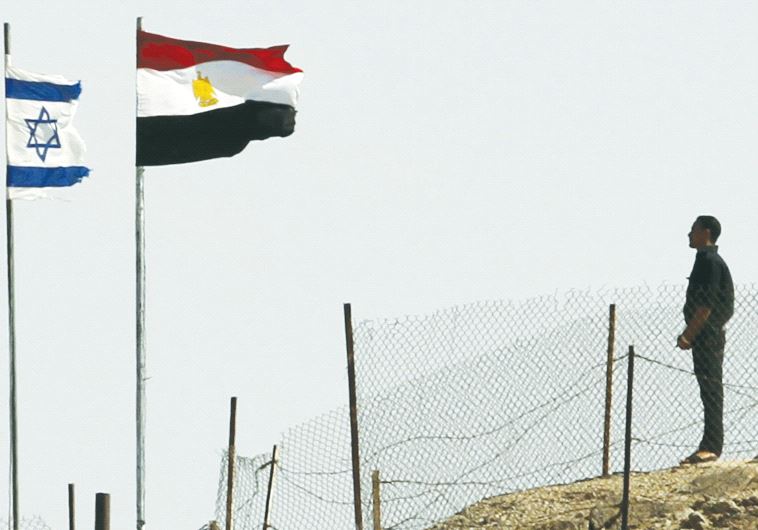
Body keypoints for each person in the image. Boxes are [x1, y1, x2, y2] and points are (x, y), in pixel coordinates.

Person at [677, 215, 734, 464]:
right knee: (707, 390)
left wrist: (689, 334)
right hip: (705, 335)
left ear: (706, 232)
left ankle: (711, 446)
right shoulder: (705, 260)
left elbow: (706, 305)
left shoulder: (709, 262)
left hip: (707, 335)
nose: (689, 234)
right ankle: (709, 444)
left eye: (693, 230)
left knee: (711, 390)